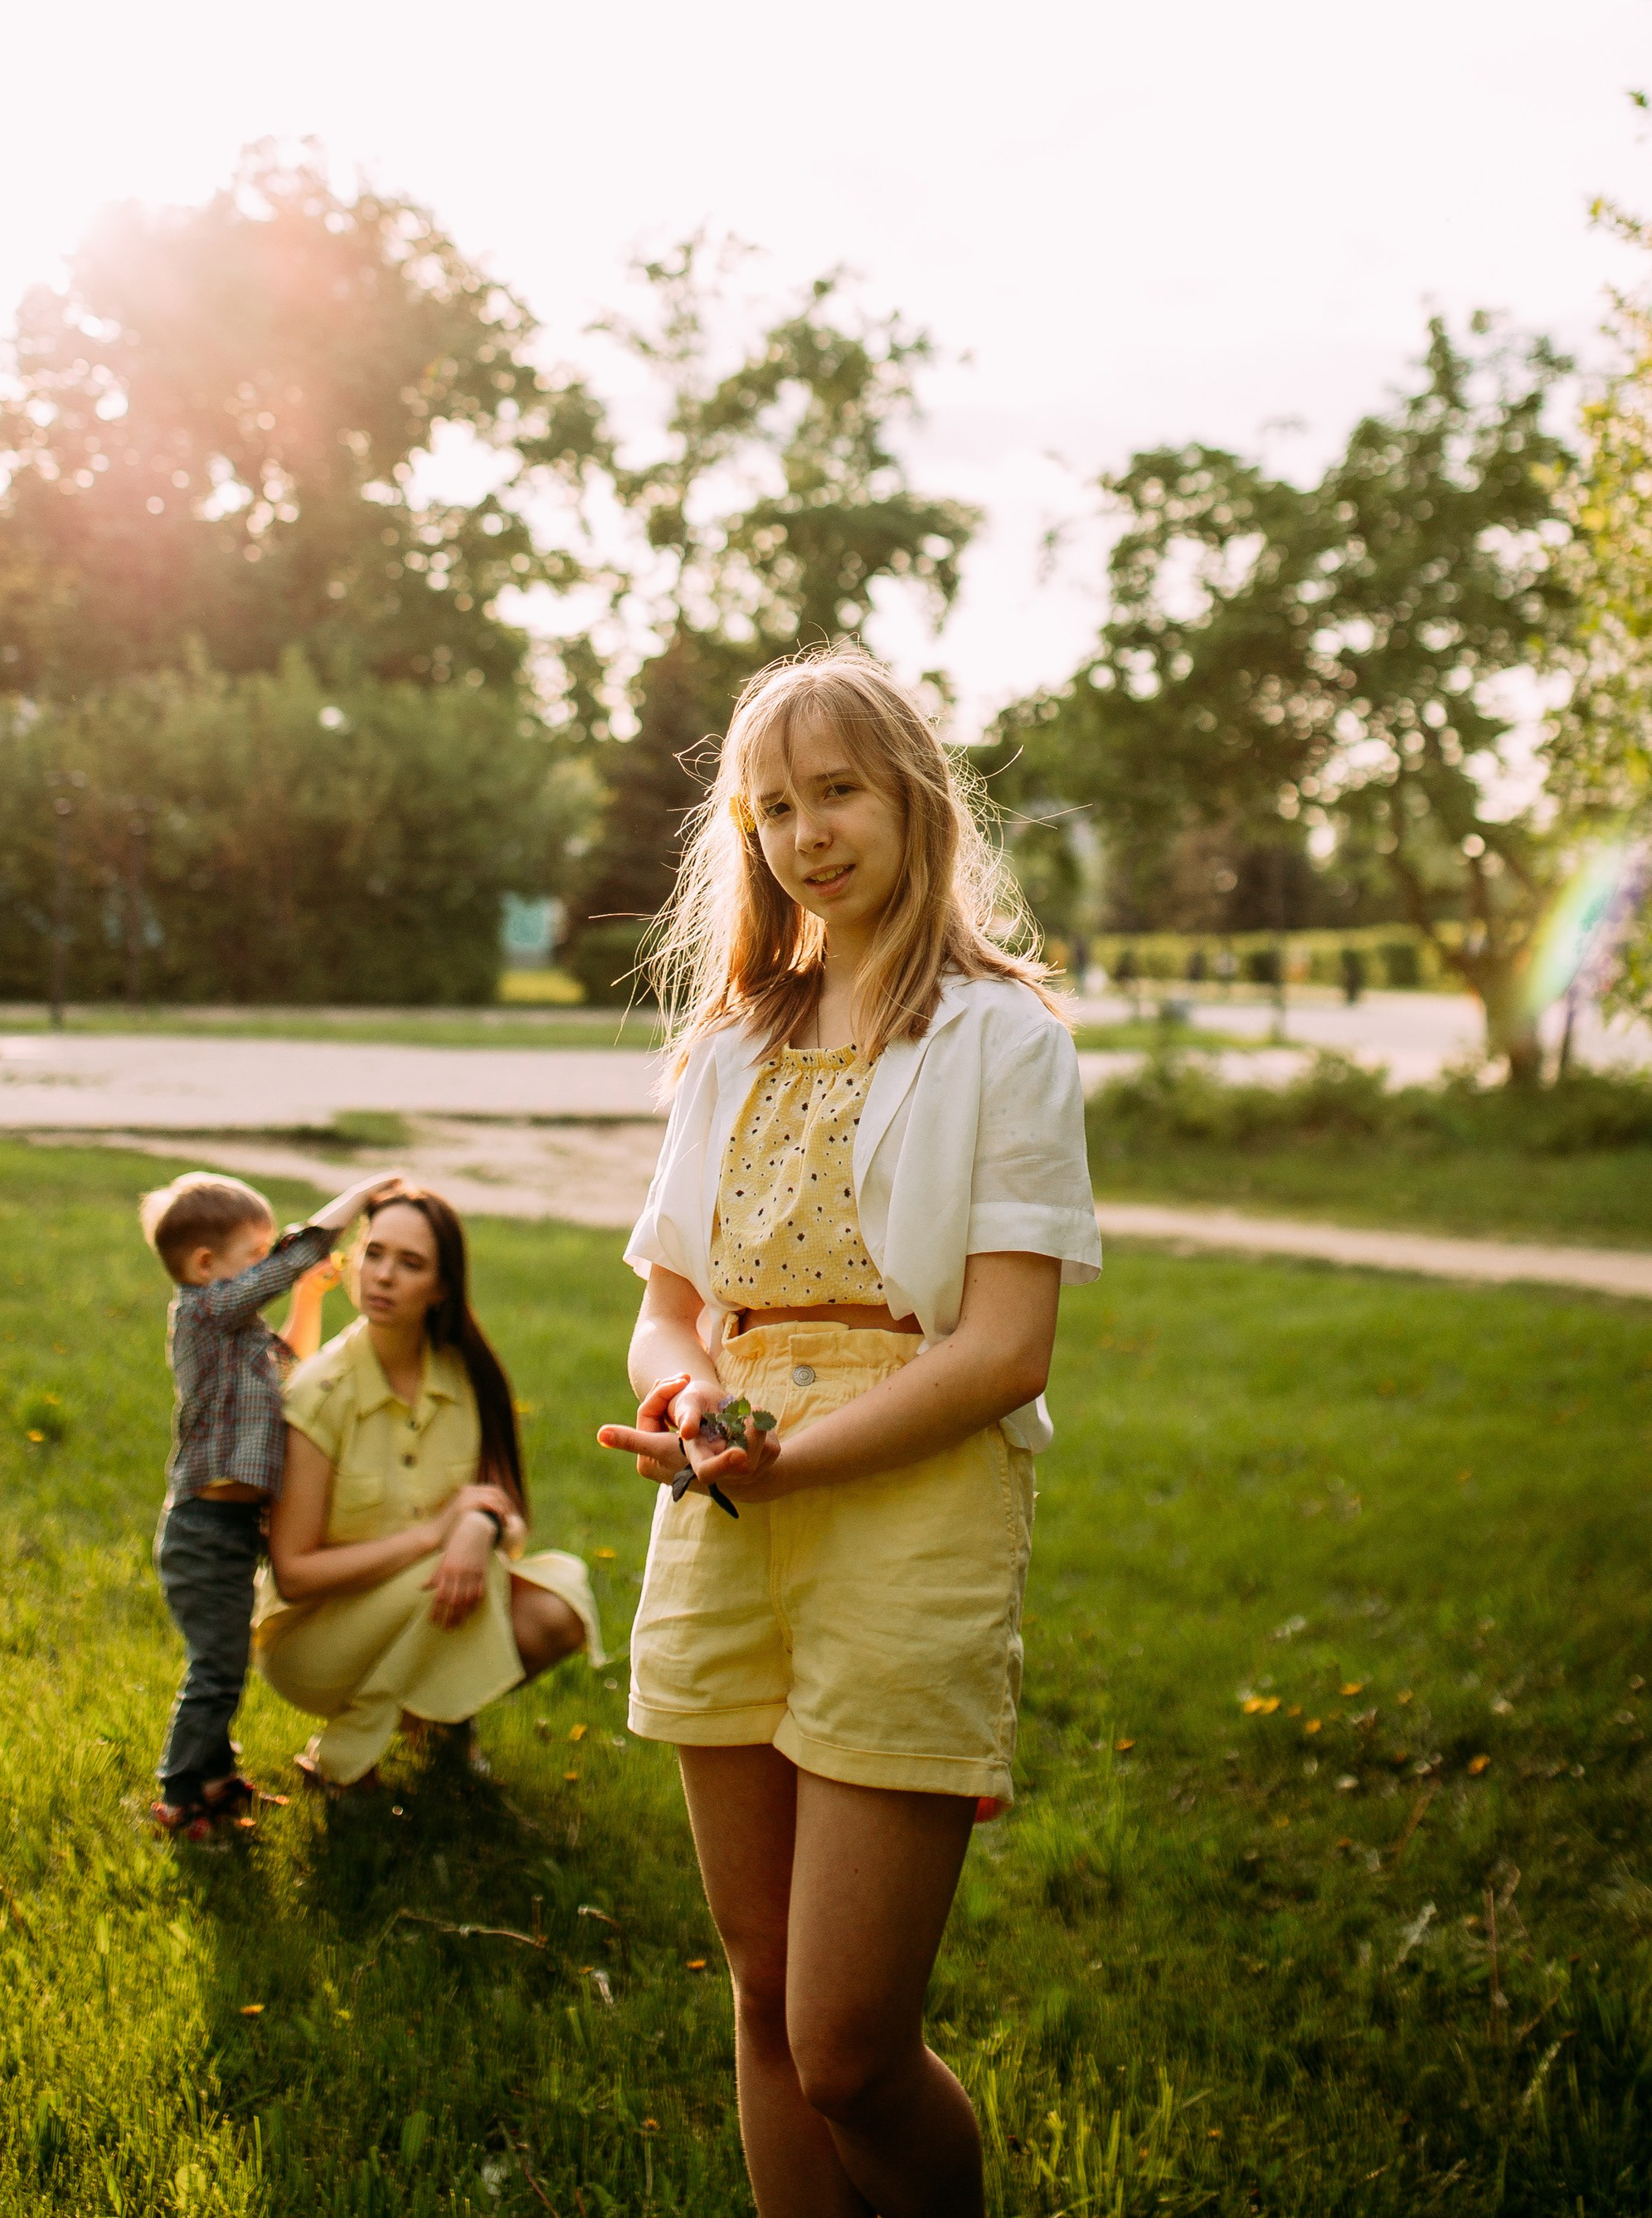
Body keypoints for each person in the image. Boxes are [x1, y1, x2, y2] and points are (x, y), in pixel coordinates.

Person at [597, 646, 1100, 2218]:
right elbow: (670, 1309)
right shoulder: (732, 1040)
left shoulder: (1003, 1035)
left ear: (914, 800)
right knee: (761, 1996)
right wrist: (688, 1400)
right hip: (727, 1500)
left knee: (849, 2049)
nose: (808, 833)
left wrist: (790, 1458)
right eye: (773, 807)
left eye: (838, 792)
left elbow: (1006, 1348)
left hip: (910, 1511)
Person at [256, 1187, 600, 1788]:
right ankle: (346, 1757)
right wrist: (438, 1534)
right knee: (464, 1571)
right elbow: (294, 1574)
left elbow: (510, 1519)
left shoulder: (467, 1374)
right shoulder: (320, 1392)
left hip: (424, 1600)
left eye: (410, 1263)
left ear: (442, 1287)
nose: (383, 1276)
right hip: (313, 1638)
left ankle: (432, 1721)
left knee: (556, 1608)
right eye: (374, 1254)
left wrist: (479, 1526)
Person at [140, 1162, 412, 1841]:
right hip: (204, 1529)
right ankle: (180, 1794)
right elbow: (294, 1257)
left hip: (233, 1527)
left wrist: (310, 1295)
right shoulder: (202, 1311)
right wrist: (358, 1196)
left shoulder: (241, 1335)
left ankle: (216, 1779)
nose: (267, 1268)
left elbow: (293, 1361)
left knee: (226, 1662)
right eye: (254, 1255)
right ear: (206, 1265)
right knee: (215, 1668)